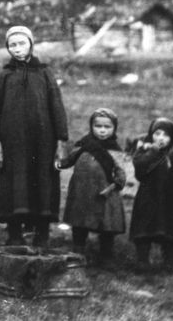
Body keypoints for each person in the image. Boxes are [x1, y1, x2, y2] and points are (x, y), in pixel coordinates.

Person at [0, 25, 69, 249]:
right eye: (13, 45)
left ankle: (42, 232)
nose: (17, 48)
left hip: (43, 142)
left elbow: (56, 106)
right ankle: (14, 233)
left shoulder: (44, 73)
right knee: (14, 183)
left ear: (31, 44)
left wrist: (60, 138)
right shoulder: (5, 75)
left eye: (22, 43)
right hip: (13, 143)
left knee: (42, 182)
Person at [56, 107, 126, 266]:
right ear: (91, 126)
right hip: (82, 191)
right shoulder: (84, 144)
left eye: (107, 127)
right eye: (98, 126)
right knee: (79, 222)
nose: (102, 130)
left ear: (114, 128)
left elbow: (121, 171)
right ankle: (78, 252)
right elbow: (69, 160)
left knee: (107, 225)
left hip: (105, 193)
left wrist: (117, 182)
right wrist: (59, 163)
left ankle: (106, 255)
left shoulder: (114, 150)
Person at [129, 117, 173, 272]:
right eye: (157, 134)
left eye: (166, 135)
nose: (161, 138)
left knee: (169, 228)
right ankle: (142, 260)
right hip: (149, 196)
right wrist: (152, 151)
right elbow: (139, 170)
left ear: (172, 138)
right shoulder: (145, 151)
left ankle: (169, 261)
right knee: (145, 227)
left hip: (171, 198)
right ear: (150, 135)